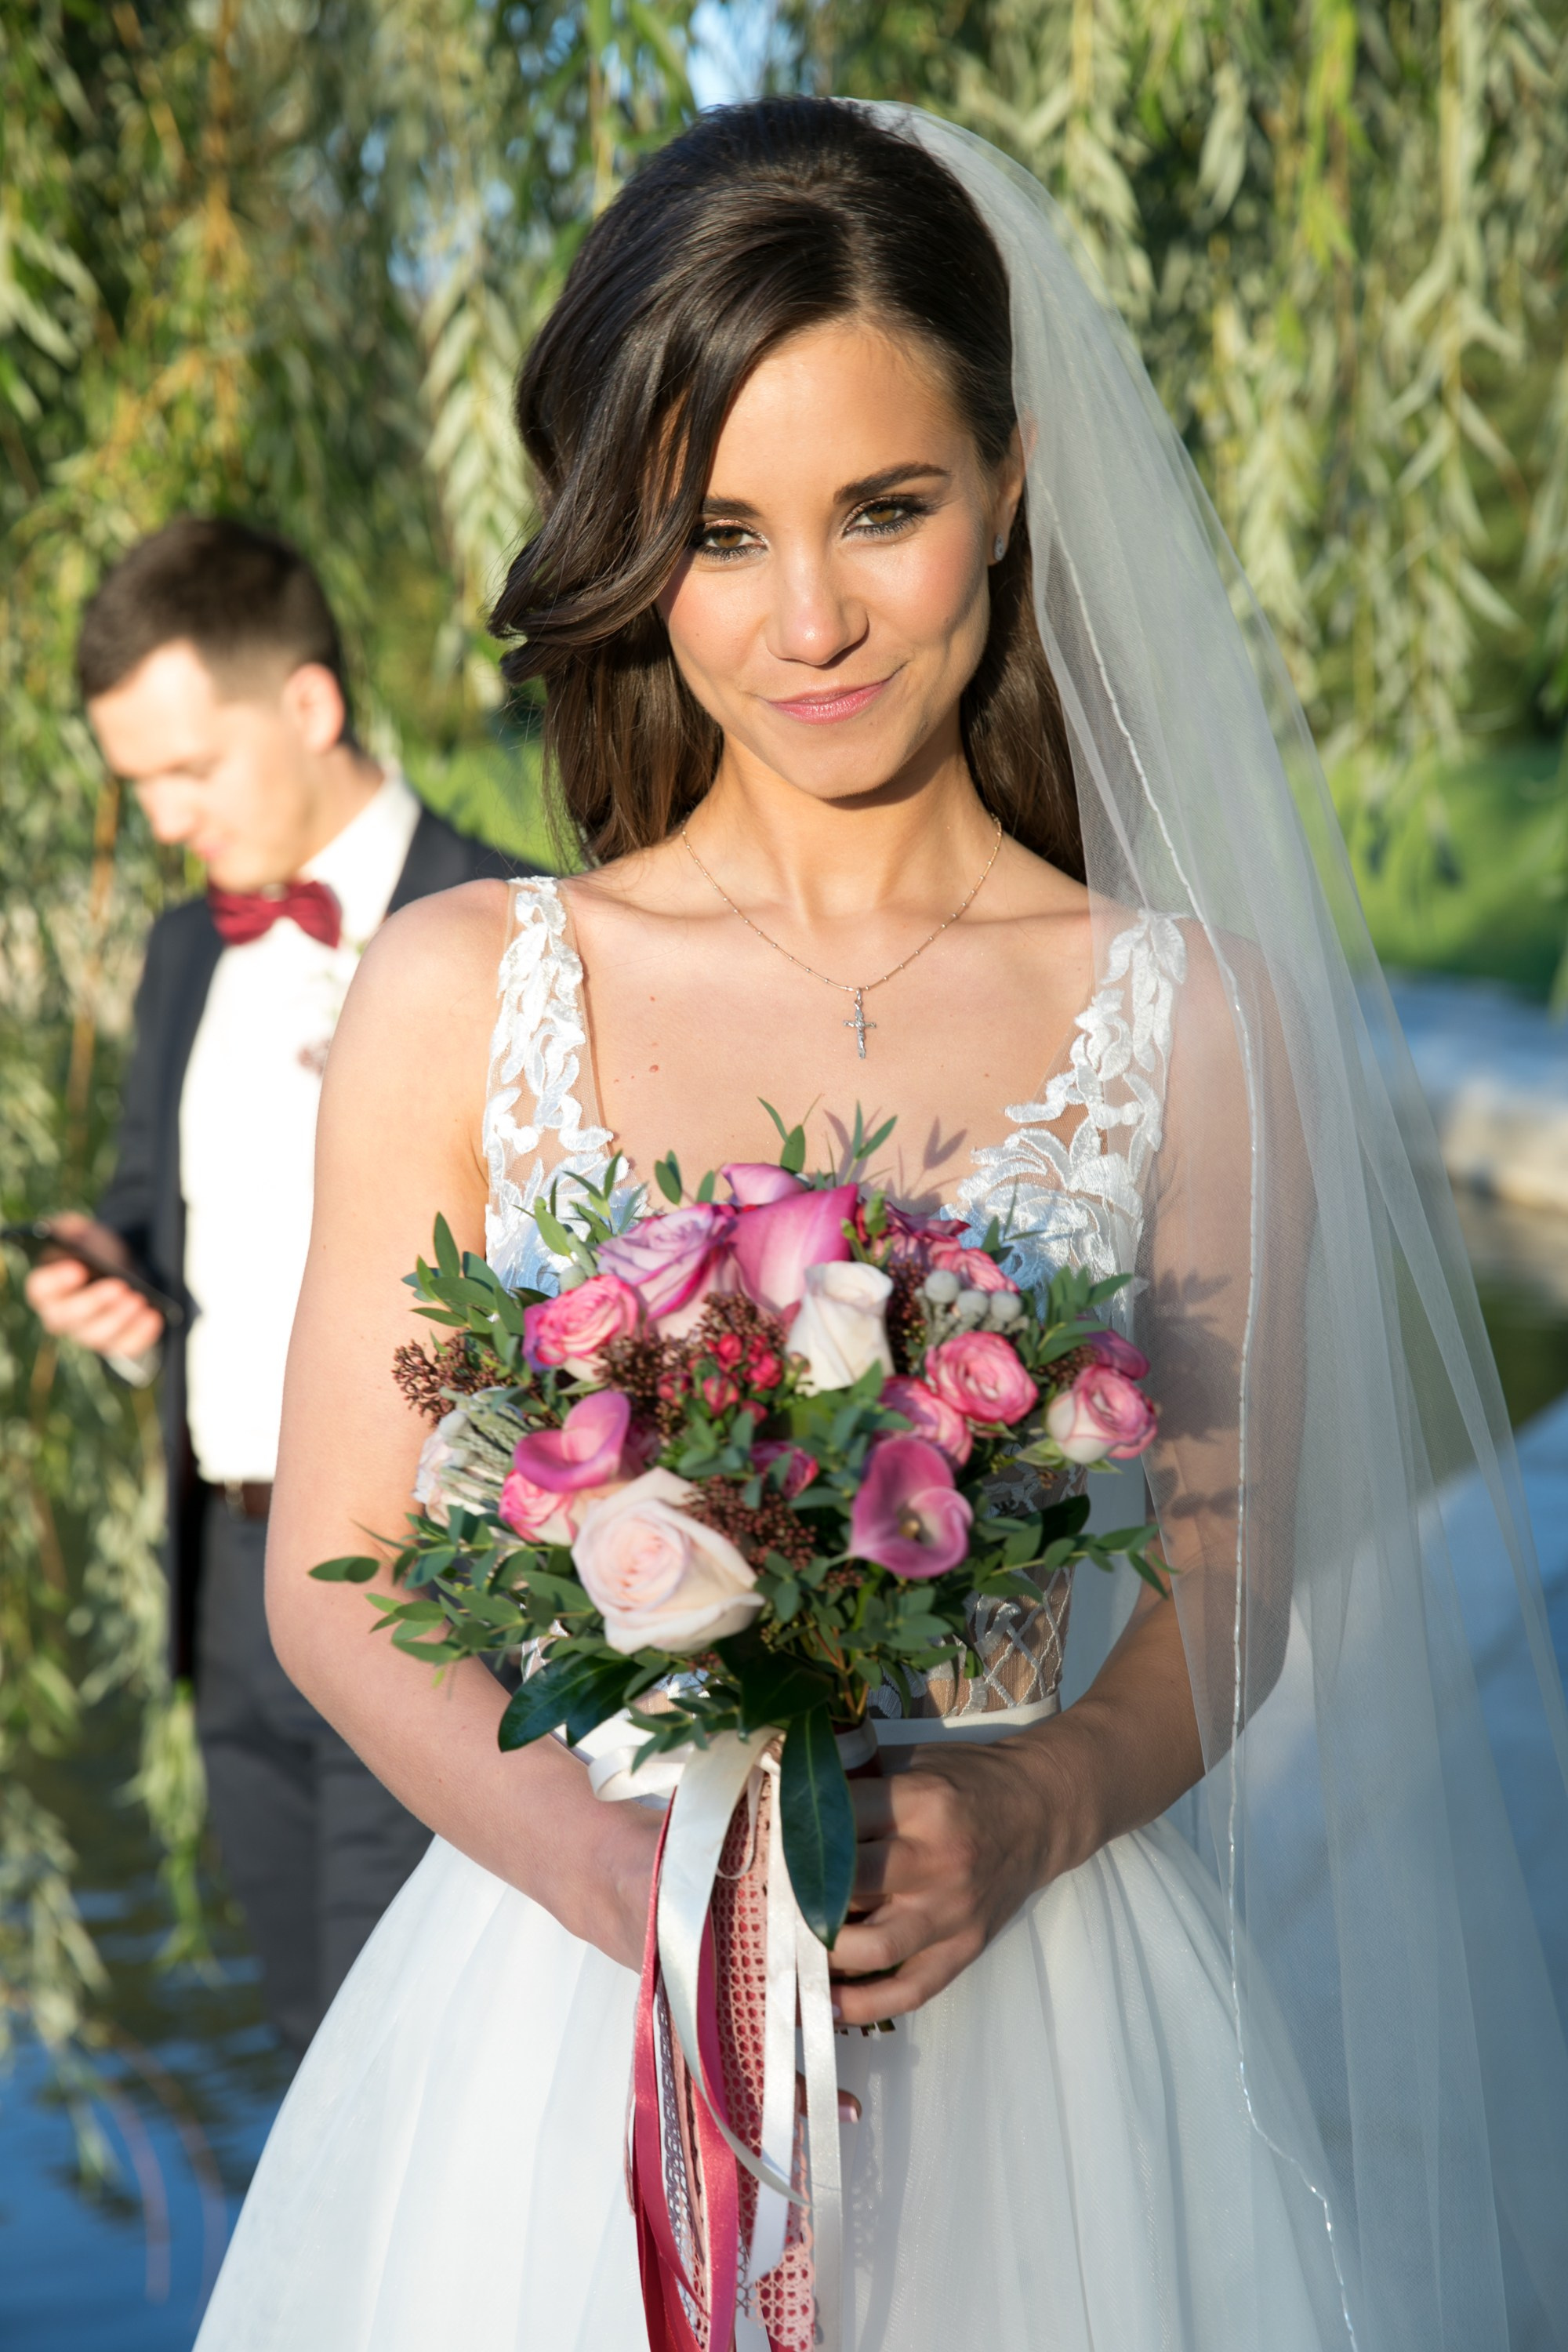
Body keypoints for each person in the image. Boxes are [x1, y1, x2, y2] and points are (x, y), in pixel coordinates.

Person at [193, 102, 1568, 2352]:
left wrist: (1033, 1807)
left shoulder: (1185, 1019)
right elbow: (335, 1570)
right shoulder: (464, 988)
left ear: (1010, 482)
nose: (807, 617)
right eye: (717, 533)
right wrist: (602, 1881)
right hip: (567, 2004)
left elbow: (1218, 1603)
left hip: (1037, 2008)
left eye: (886, 511)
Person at [24, 517, 527, 2053]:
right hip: (234, 1592)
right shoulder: (186, 952)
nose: (167, 820)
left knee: (428, 2057)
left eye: (190, 772)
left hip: (440, 1596)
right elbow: (148, 1220)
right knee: (313, 2061)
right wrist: (110, 1284)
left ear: (307, 706)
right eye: (140, 789)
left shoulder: (528, 930)